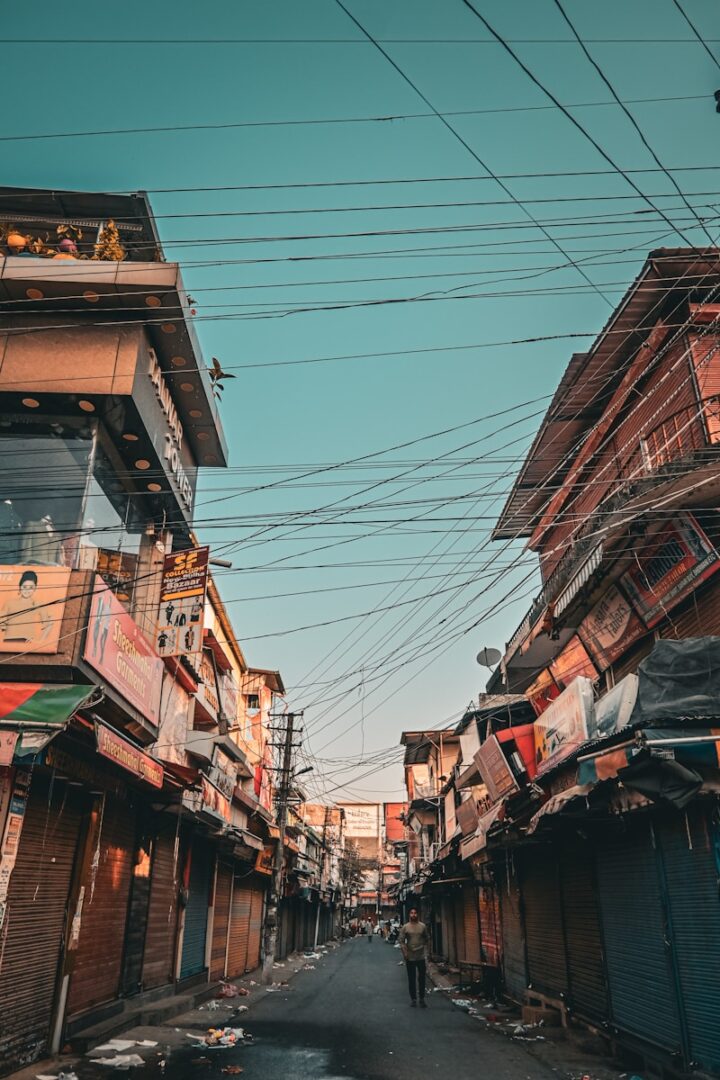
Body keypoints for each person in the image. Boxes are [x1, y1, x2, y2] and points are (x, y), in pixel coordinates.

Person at [399, 908, 430, 1007]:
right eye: (411, 913)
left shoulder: (422, 926)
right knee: (411, 979)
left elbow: (427, 938)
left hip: (420, 956)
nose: (413, 914)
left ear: (417, 914)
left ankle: (422, 998)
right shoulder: (405, 927)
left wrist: (425, 951)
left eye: (415, 913)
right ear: (409, 914)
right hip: (410, 957)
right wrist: (405, 952)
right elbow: (401, 940)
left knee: (422, 979)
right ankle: (413, 999)